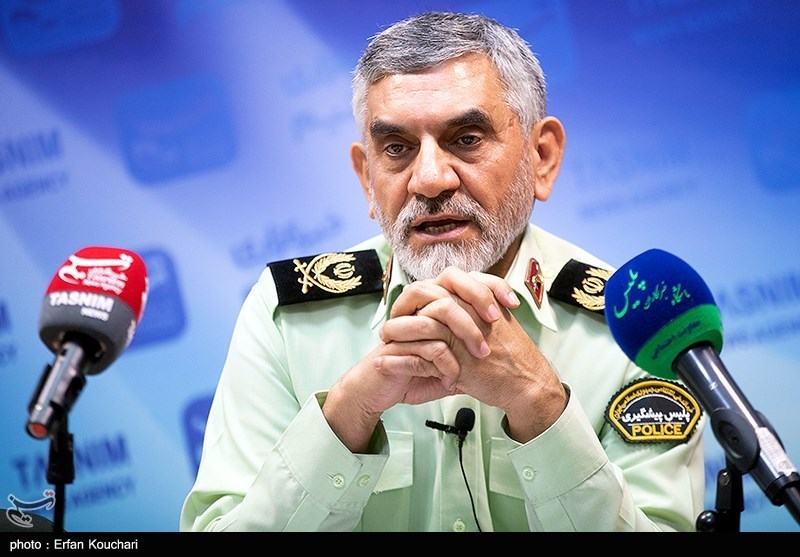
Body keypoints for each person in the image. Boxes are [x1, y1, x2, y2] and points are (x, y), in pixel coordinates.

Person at [180, 11, 706, 532]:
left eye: (467, 139)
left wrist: (540, 405)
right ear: (367, 178)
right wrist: (344, 419)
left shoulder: (638, 325)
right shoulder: (288, 317)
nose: (429, 180)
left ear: (542, 158)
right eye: (397, 149)